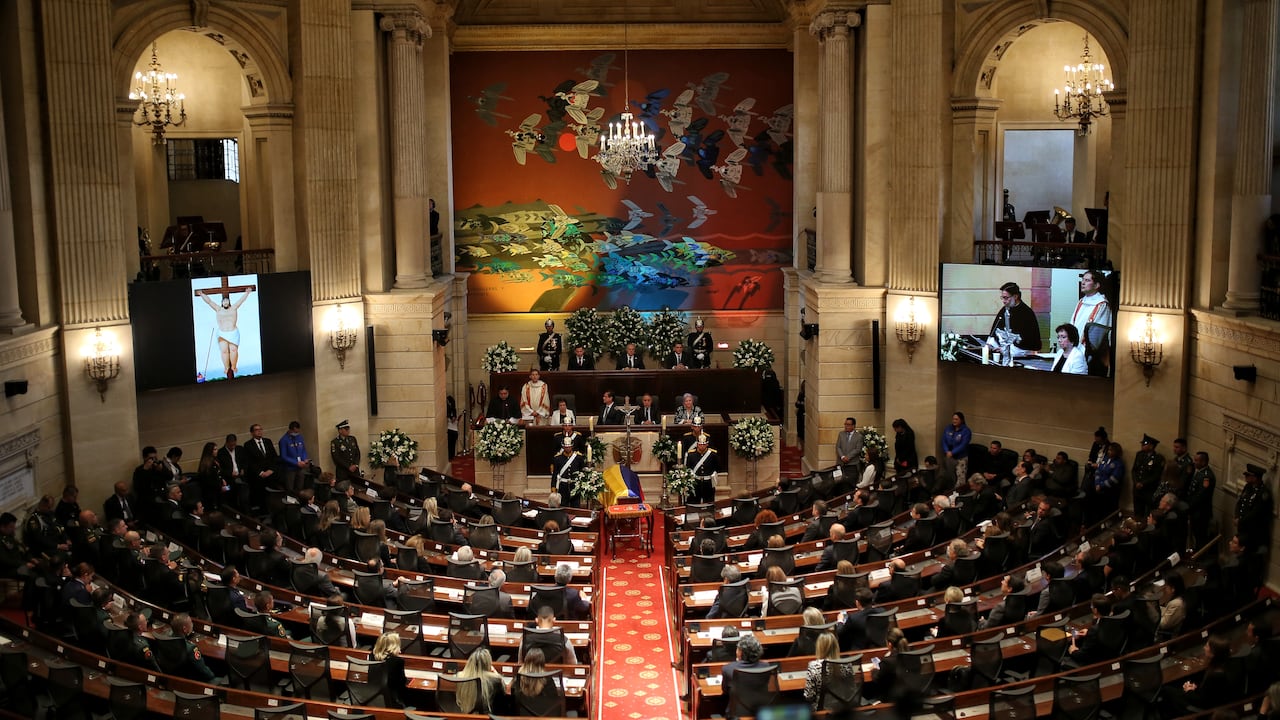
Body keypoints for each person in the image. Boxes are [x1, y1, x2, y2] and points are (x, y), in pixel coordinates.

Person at [197, 287, 253, 379]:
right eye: (224, 301)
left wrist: (247, 293)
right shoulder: (218, 309)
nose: (226, 302)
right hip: (222, 333)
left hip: (233, 332)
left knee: (233, 350)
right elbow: (209, 302)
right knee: (224, 351)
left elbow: (241, 301)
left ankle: (233, 366)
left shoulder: (234, 308)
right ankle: (226, 367)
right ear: (222, 302)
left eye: (227, 301)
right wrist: (202, 294)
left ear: (229, 302)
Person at [985, 282, 1042, 360]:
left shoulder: (1027, 313)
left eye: (1006, 298)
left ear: (1015, 296)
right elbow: (996, 331)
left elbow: (1027, 342)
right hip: (1003, 353)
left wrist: (1005, 349)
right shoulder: (1004, 310)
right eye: (1002, 298)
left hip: (1022, 356)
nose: (1004, 301)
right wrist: (990, 345)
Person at [455, 647, 507, 714]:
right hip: (486, 716)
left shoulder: (459, 676)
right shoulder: (495, 680)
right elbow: (504, 690)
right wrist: (495, 672)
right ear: (488, 664)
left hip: (465, 715)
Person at [169, 613, 218, 682]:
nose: (192, 625)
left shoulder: (167, 640)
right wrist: (213, 677)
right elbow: (203, 670)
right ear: (184, 629)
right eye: (191, 623)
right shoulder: (191, 648)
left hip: (176, 676)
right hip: (192, 680)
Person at [720, 633, 766, 706]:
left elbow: (725, 691)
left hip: (737, 712)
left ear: (740, 652)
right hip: (759, 709)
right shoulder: (766, 667)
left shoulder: (728, 669)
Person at [1235, 463, 1273, 549]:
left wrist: (1240, 521)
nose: (1246, 477)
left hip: (1253, 531)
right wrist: (1237, 517)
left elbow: (1256, 512)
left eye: (1248, 475)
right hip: (1243, 527)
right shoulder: (1248, 487)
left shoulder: (1263, 493)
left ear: (1255, 478)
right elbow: (1240, 502)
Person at [242, 424, 279, 512]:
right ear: (252, 432)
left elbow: (274, 457)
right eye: (256, 430)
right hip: (258, 476)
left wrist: (271, 470)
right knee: (261, 496)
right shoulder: (248, 445)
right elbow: (249, 462)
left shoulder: (268, 441)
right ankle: (263, 511)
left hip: (270, 474)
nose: (259, 431)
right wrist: (261, 472)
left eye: (260, 429)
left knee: (273, 494)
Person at [1185, 451, 1216, 547]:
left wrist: (1188, 507)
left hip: (1201, 513)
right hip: (1195, 511)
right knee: (1195, 535)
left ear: (1203, 462)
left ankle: (1199, 558)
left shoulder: (1207, 476)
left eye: (1196, 460)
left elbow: (1201, 496)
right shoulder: (1199, 473)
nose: (1194, 462)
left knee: (1200, 537)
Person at [1131, 434, 1165, 519]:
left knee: (1149, 513)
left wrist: (1143, 483)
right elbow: (1134, 470)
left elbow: (1156, 475)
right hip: (1137, 489)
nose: (1142, 445)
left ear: (1151, 446)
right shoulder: (1139, 454)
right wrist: (1136, 482)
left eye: (1145, 444)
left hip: (1149, 490)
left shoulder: (1158, 458)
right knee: (1138, 512)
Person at [373, 631, 408, 708]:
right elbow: (401, 685)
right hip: (392, 701)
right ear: (394, 646)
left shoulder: (371, 658)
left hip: (373, 700)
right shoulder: (397, 661)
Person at [278, 421, 312, 494]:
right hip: (290, 468)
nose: (296, 433)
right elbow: (284, 456)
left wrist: (305, 459)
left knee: (300, 486)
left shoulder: (299, 437)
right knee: (290, 488)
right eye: (295, 432)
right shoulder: (283, 440)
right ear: (290, 430)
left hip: (301, 467)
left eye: (297, 431)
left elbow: (303, 450)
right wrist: (296, 463)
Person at [686, 434, 720, 504]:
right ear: (697, 444)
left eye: (704, 444)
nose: (702, 446)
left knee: (709, 502)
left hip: (708, 482)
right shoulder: (691, 454)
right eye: (700, 444)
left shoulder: (713, 455)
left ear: (707, 444)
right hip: (695, 482)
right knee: (693, 501)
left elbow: (717, 467)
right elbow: (688, 467)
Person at [551, 438, 584, 507]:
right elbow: (555, 474)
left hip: (575, 486)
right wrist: (553, 487)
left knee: (575, 506)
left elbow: (582, 472)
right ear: (563, 447)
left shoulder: (578, 458)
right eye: (566, 447)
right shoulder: (557, 458)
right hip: (563, 486)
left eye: (569, 447)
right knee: (563, 506)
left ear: (572, 446)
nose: (568, 448)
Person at [941, 412, 972, 486]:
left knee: (960, 478)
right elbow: (943, 440)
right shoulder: (948, 428)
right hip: (949, 456)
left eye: (956, 419)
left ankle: (959, 494)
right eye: (953, 419)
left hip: (960, 457)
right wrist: (947, 451)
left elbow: (963, 444)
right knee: (948, 475)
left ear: (961, 420)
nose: (954, 421)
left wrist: (953, 452)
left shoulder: (966, 431)